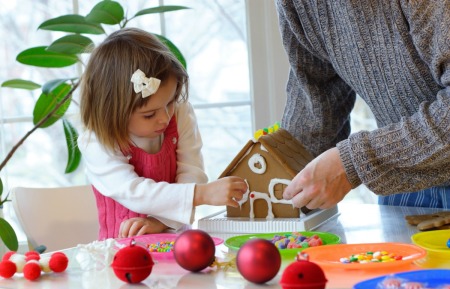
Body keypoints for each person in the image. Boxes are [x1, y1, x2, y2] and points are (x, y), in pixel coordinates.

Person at [276, 1, 450, 209]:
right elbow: (315, 106)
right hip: (408, 180)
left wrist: (355, 160)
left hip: (404, 165)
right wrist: (282, 182)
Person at [78, 28, 247, 239]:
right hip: (120, 251)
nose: (165, 118)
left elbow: (191, 171)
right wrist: (202, 194)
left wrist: (161, 222)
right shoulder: (96, 141)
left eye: (170, 102)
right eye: (149, 115)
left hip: (177, 240)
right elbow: (133, 191)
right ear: (112, 113)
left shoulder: (181, 112)